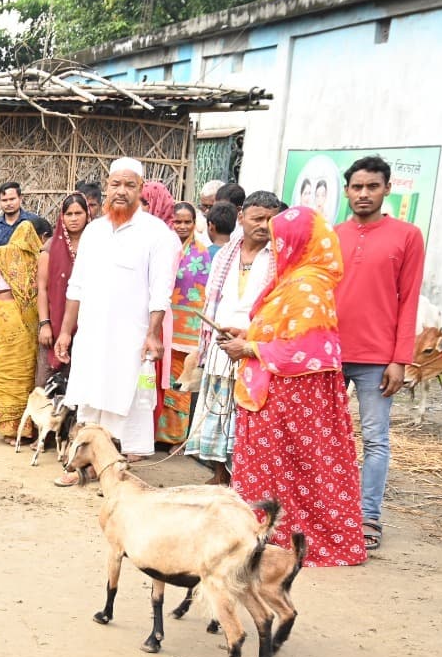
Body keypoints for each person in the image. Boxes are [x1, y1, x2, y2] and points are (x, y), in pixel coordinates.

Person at [223, 207, 366, 567]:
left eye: (280, 241)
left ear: (301, 243)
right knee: (277, 470)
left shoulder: (307, 286)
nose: (276, 249)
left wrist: (250, 348)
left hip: (291, 397)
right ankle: (261, 534)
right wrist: (246, 335)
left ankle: (283, 538)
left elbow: (306, 348)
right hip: (276, 392)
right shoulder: (292, 281)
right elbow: (281, 332)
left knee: (290, 470)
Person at [53, 158, 181, 478]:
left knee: (125, 404)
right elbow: (76, 286)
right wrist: (66, 332)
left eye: (130, 185)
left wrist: (153, 334)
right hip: (93, 336)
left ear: (141, 189)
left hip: (132, 339)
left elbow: (160, 292)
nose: (121, 191)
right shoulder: (94, 232)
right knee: (89, 401)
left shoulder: (157, 235)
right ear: (107, 187)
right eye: (116, 184)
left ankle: (113, 471)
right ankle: (86, 467)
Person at [335, 154, 426, 551]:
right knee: (326, 436)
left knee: (375, 439)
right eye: (357, 187)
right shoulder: (332, 234)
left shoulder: (407, 236)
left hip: (378, 358)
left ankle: (367, 514)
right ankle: (328, 509)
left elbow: (409, 300)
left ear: (387, 189)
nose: (364, 194)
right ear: (346, 191)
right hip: (328, 354)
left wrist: (399, 359)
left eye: (373, 186)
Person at [184, 191, 279, 483]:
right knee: (217, 410)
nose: (263, 225)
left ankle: (243, 477)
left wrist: (251, 340)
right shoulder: (225, 254)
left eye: (270, 219)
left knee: (245, 414)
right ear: (242, 218)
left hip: (255, 344)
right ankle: (218, 475)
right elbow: (211, 298)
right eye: (257, 218)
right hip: (220, 338)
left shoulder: (278, 257)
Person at [0, 220, 47, 440]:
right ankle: (28, 428)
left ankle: (9, 429)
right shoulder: (39, 258)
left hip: (6, 317)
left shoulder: (0, 255)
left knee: (7, 371)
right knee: (26, 371)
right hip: (31, 318)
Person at [158, 201, 212, 449]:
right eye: (177, 221)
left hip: (187, 331)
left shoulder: (203, 253)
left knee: (181, 383)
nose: (181, 226)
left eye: (186, 222)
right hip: (160, 326)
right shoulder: (160, 249)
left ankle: (176, 438)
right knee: (159, 382)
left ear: (194, 223)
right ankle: (155, 433)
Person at [35, 193, 89, 384]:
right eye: (69, 214)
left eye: (78, 213)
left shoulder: (96, 246)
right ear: (62, 216)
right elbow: (42, 288)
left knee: (81, 381)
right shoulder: (50, 248)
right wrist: (44, 324)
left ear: (87, 215)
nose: (73, 219)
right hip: (55, 325)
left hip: (87, 324)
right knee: (46, 383)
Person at [0, 181, 44, 251]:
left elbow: (44, 248)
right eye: (4, 200)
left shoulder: (34, 221)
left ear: (20, 198)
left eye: (12, 199)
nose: (8, 203)